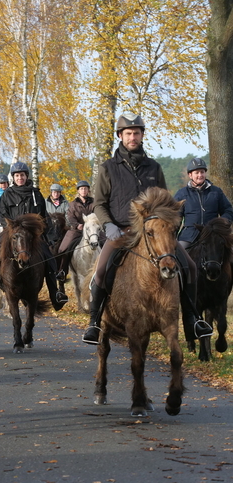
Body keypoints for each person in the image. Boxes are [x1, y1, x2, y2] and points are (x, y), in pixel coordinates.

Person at [82, 113, 212, 345]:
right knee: (101, 271)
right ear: (120, 136)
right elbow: (100, 203)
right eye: (129, 133)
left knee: (189, 266)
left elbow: (164, 201)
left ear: (142, 135)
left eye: (137, 133)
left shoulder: (154, 167)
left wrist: (169, 224)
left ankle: (192, 319)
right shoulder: (107, 168)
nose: (133, 137)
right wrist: (108, 224)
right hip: (120, 231)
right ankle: (94, 322)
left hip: (154, 233)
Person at [0, 161, 69, 311]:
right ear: (13, 178)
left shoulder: (35, 193)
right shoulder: (8, 194)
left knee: (49, 257)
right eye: (17, 175)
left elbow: (43, 215)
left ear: (26, 176)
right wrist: (10, 226)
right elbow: (1, 213)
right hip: (12, 233)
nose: (19, 178)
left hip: (32, 236)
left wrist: (49, 235)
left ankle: (56, 295)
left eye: (22, 175)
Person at [174, 158, 233, 249]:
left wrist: (221, 223)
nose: (200, 175)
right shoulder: (181, 194)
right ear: (190, 175)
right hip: (189, 236)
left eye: (202, 172)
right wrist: (171, 236)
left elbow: (228, 210)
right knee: (177, 255)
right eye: (196, 173)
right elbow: (175, 217)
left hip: (213, 234)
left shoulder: (216, 192)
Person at [56, 180, 98, 281]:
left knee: (106, 242)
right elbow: (70, 217)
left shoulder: (94, 202)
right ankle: (62, 271)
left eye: (85, 188)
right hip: (77, 230)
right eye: (81, 189)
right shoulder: (72, 204)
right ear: (78, 191)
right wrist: (76, 225)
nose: (84, 190)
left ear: (88, 190)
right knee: (63, 249)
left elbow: (98, 214)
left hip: (92, 230)